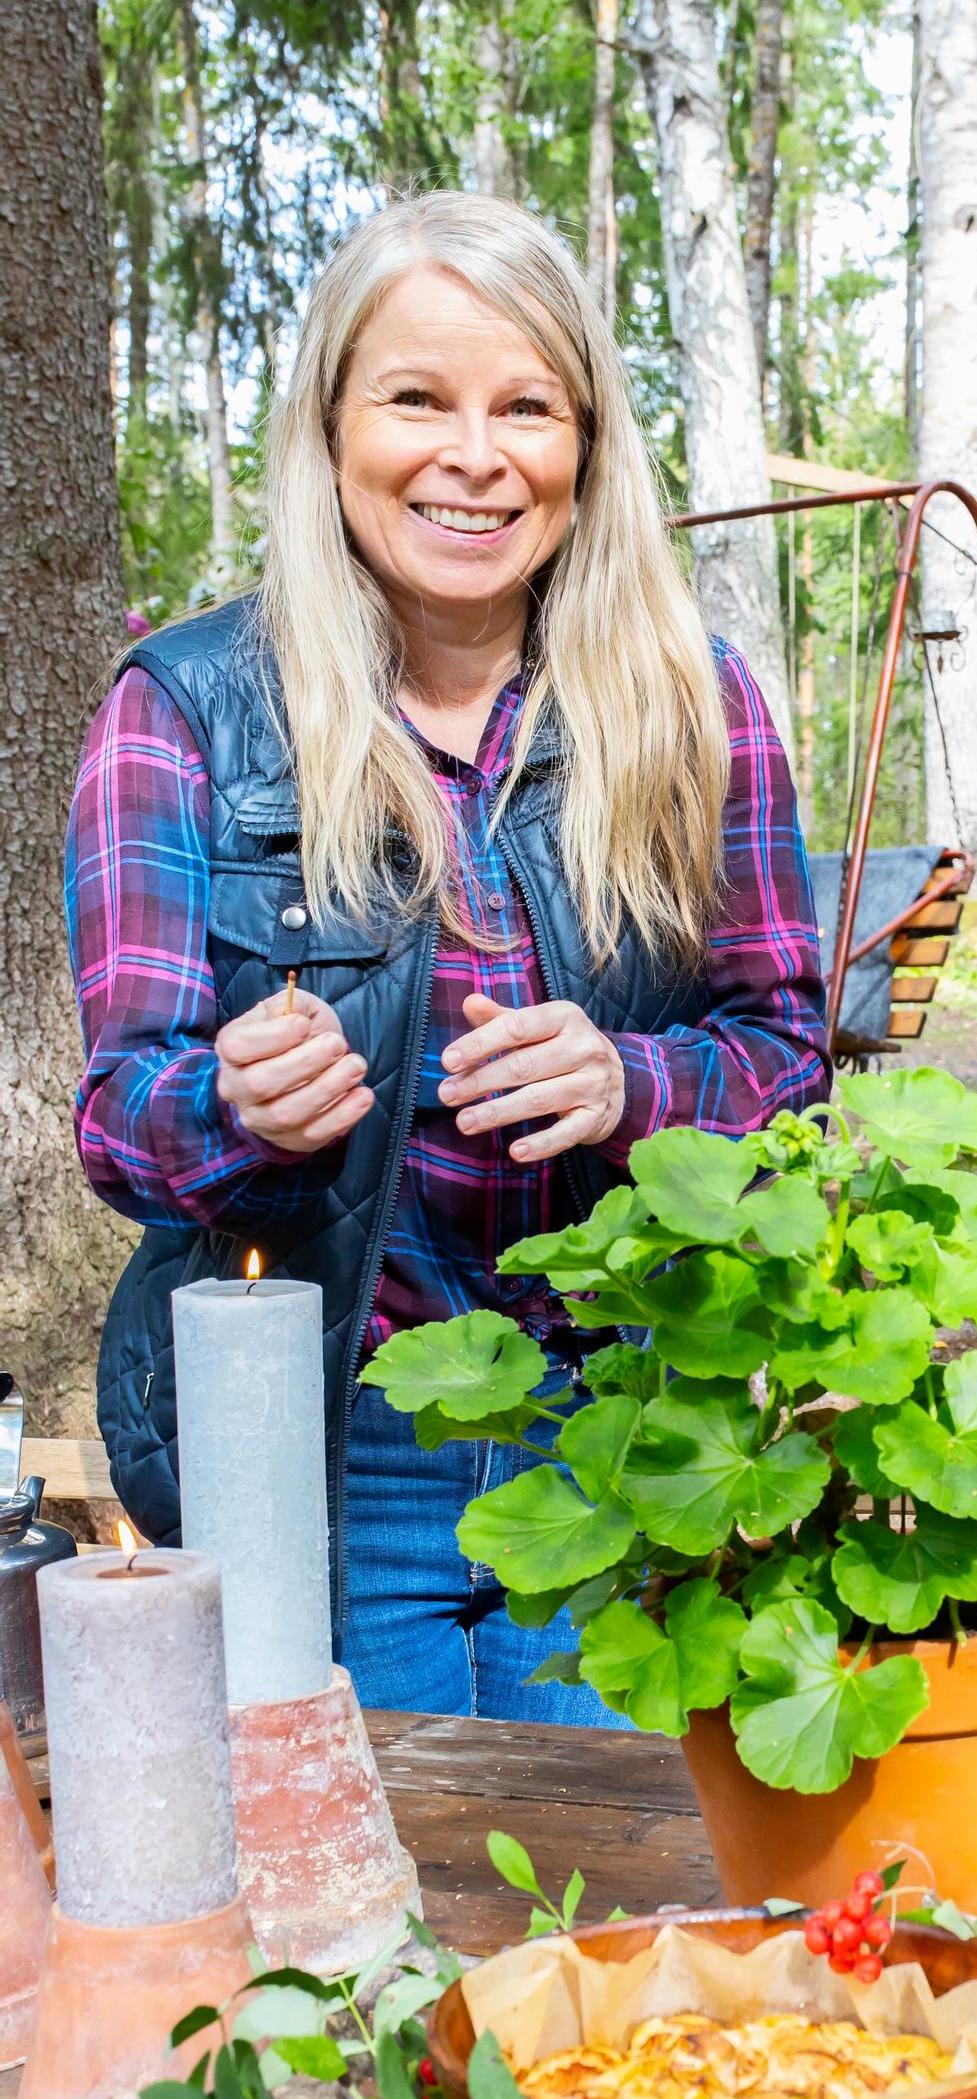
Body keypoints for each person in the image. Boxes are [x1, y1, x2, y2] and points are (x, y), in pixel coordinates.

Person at [66, 192, 830, 1722]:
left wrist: (631, 1080)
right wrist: (231, 1105)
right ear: (332, 428)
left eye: (525, 407)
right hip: (319, 1450)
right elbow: (116, 1117)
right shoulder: (189, 709)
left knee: (619, 1917)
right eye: (416, 398)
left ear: (585, 447)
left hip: (632, 1436)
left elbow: (790, 1064)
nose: (472, 455)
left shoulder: (698, 705)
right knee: (362, 1929)